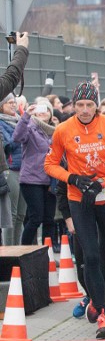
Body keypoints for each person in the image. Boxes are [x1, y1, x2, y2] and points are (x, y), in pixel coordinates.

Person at [44, 81, 105, 339]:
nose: (84, 110)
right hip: (78, 198)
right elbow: (49, 164)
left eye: (89, 105)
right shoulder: (63, 130)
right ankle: (102, 313)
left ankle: (96, 300)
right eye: (80, 105)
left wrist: (102, 183)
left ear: (96, 105)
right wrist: (71, 178)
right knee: (90, 256)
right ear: (73, 105)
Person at [13, 102, 56, 245]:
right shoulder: (30, 128)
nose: (43, 112)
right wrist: (26, 115)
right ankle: (24, 251)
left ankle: (47, 254)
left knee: (49, 219)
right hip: (31, 180)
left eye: (46, 110)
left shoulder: (56, 131)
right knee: (35, 218)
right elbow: (17, 137)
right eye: (40, 109)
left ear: (51, 114)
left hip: (51, 180)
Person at [0, 93, 24, 245]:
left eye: (14, 102)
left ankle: (18, 249)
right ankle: (9, 251)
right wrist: (20, 132)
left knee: (21, 214)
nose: (13, 105)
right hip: (10, 170)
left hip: (24, 170)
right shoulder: (1, 123)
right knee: (12, 214)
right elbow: (8, 145)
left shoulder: (19, 121)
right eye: (9, 102)